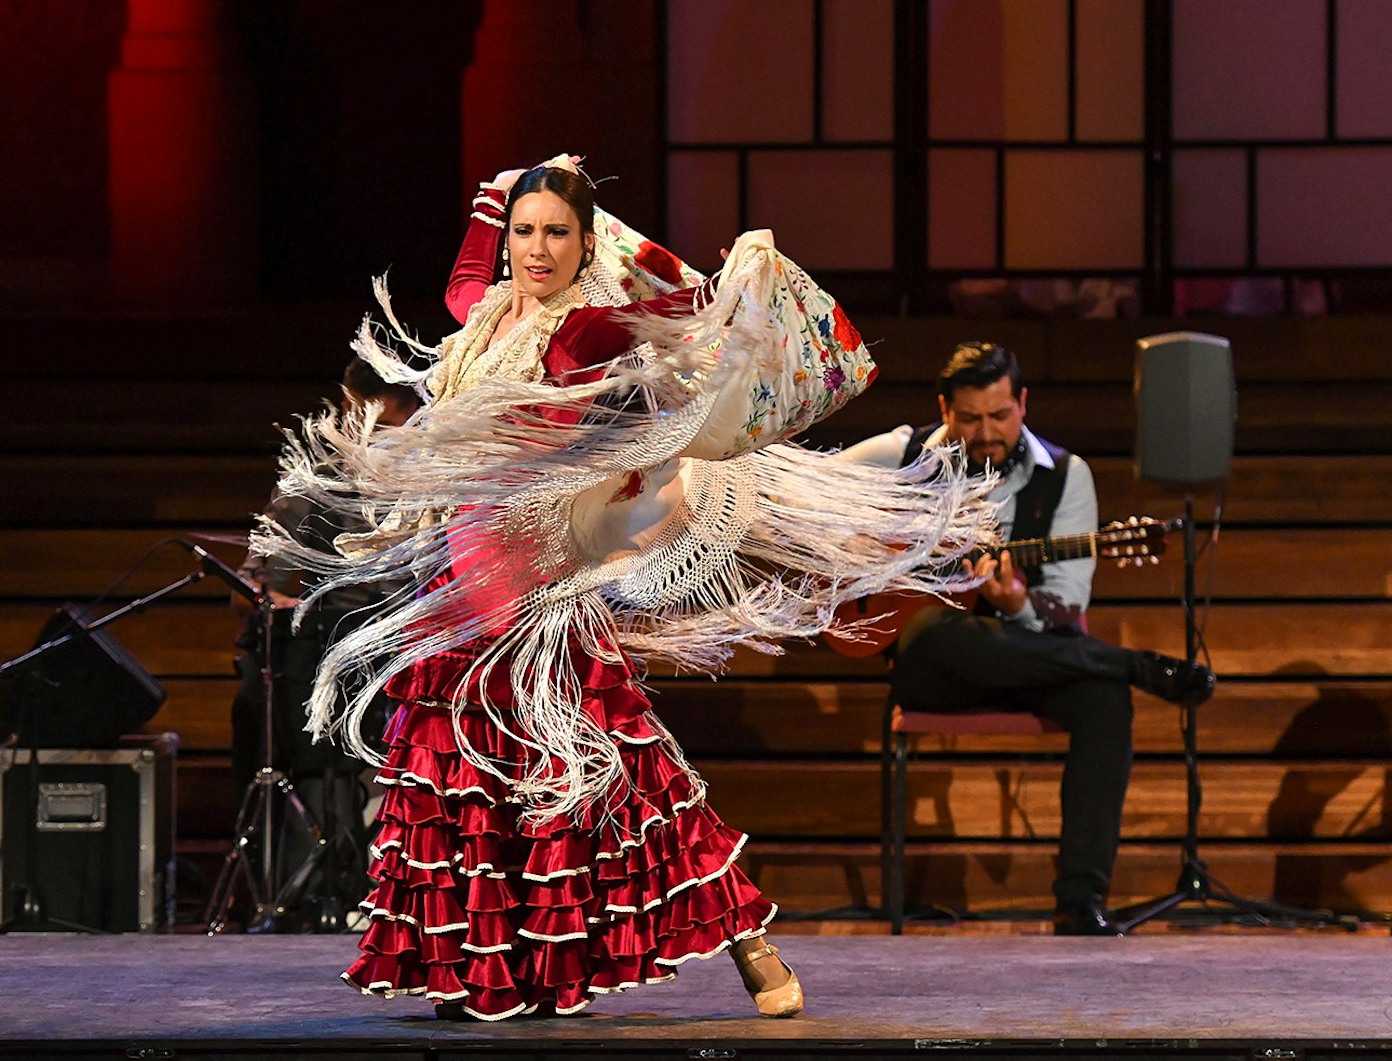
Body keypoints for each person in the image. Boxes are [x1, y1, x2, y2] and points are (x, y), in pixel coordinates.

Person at [253, 157, 994, 1019]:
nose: (537, 249)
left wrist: (729, 273)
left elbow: (687, 311)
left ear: (586, 243)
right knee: (465, 786)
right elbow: (465, 272)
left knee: (629, 774)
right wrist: (494, 196)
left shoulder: (586, 330)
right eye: (524, 232)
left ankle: (751, 946)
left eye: (557, 233)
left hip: (533, 594)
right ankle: (490, 969)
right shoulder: (481, 313)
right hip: (458, 587)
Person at [841, 342, 1216, 936]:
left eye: (1000, 416)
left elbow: (1067, 602)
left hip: (1035, 658)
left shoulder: (1066, 477)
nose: (987, 433)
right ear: (944, 409)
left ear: (1023, 403)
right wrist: (865, 546)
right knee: (932, 630)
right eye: (970, 419)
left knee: (1103, 700)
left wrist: (1014, 602)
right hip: (942, 663)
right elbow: (800, 492)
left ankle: (1080, 901)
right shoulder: (903, 453)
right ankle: (1130, 663)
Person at [229, 358, 420, 928]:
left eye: (403, 415)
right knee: (291, 732)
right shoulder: (321, 476)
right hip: (334, 651)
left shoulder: (444, 466)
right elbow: (252, 583)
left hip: (418, 651)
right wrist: (280, 603)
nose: (392, 430)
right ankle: (319, 885)